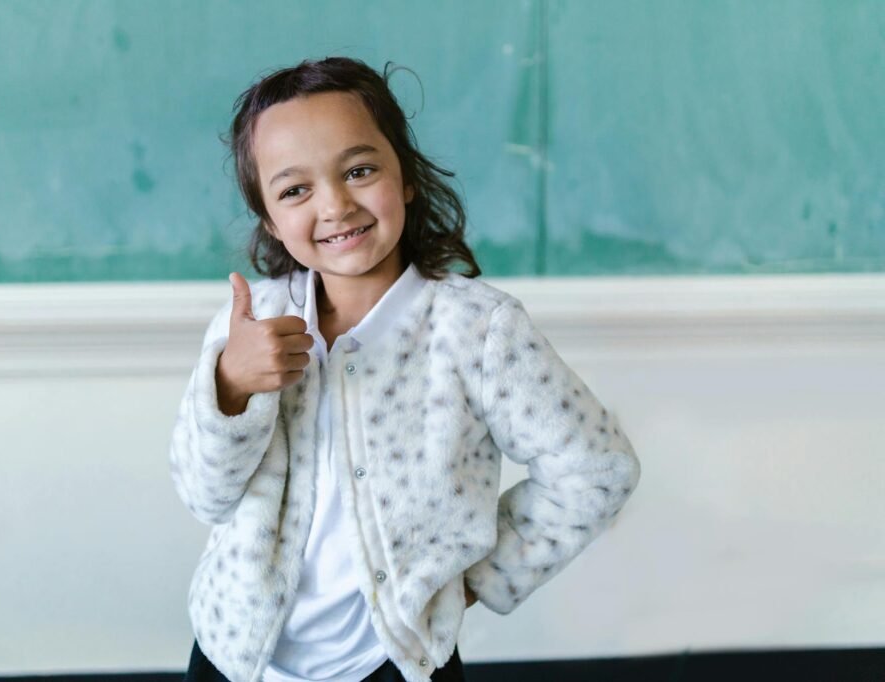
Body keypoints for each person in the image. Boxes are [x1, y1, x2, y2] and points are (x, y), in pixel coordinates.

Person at [169, 56, 641, 682]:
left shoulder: (479, 331)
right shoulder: (250, 322)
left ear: (406, 178)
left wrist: (473, 580)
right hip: (236, 657)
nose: (335, 205)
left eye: (359, 170)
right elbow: (205, 496)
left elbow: (596, 469)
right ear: (272, 224)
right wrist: (230, 387)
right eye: (295, 190)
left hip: (395, 664)